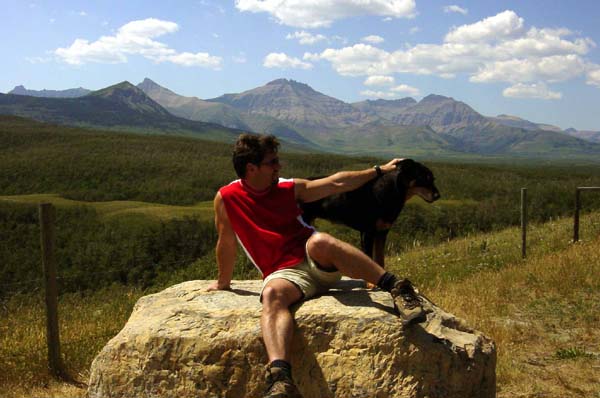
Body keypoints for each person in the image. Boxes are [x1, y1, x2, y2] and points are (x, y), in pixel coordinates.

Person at [207, 133, 425, 398]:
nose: (279, 166)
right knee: (273, 295)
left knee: (320, 240)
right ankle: (280, 379)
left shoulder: (287, 188)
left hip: (315, 259)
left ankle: (397, 287)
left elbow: (336, 182)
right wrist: (223, 282)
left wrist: (380, 170)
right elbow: (226, 242)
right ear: (251, 168)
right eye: (273, 162)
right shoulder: (227, 198)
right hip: (284, 275)